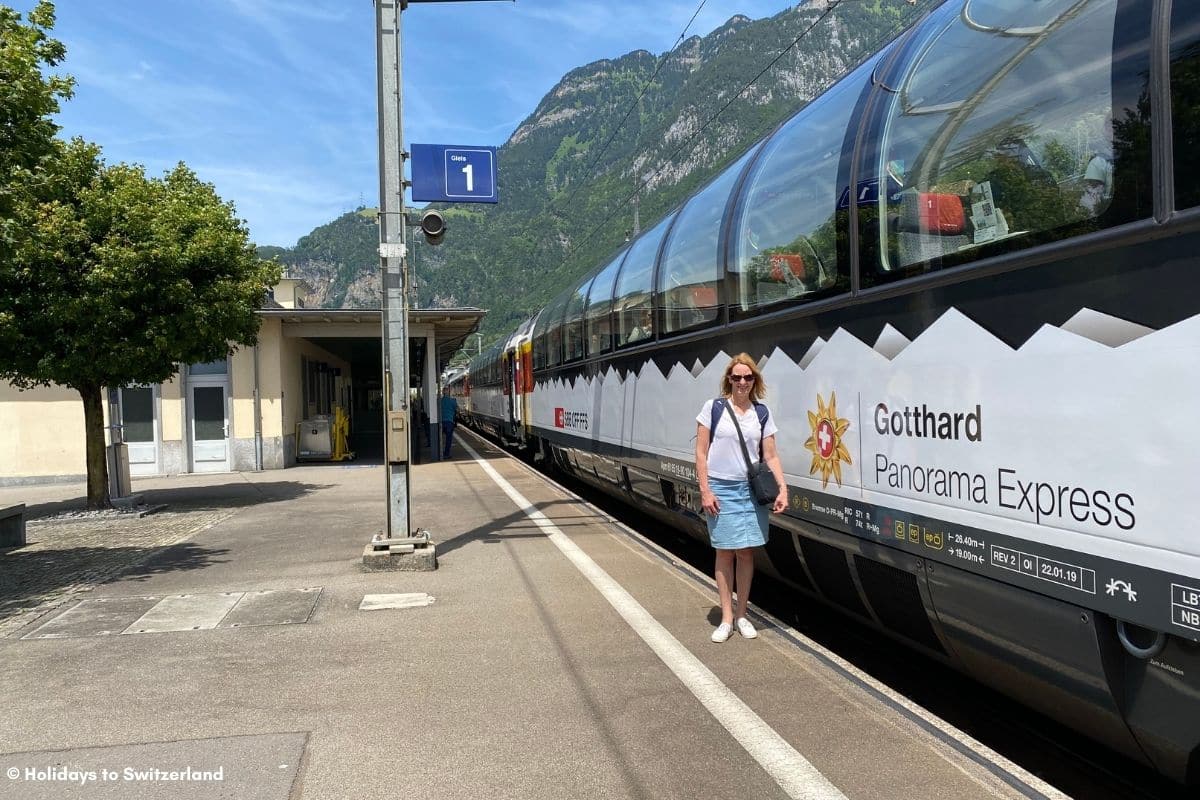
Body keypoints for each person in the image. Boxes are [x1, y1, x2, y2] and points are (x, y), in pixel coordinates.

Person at [694, 353, 787, 643]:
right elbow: (701, 453)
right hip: (721, 490)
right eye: (737, 377)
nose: (742, 382)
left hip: (750, 492)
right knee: (724, 552)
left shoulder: (762, 413)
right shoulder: (713, 408)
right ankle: (726, 618)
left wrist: (783, 488)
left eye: (748, 377)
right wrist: (705, 490)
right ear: (729, 380)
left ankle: (743, 614)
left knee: (746, 553)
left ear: (754, 381)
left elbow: (770, 455)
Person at [439, 386, 458, 460]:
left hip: (441, 422)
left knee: (439, 438)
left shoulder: (439, 401)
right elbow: (457, 409)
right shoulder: (452, 401)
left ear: (442, 393)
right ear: (448, 392)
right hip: (449, 422)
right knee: (448, 439)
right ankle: (446, 454)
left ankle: (440, 452)